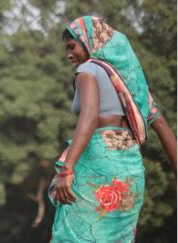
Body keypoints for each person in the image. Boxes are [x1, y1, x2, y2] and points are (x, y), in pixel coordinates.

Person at [49, 16, 177, 242]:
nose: (69, 55)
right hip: (130, 169)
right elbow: (162, 127)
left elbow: (88, 118)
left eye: (72, 47)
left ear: (89, 41)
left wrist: (66, 169)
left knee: (76, 236)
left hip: (99, 163)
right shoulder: (132, 86)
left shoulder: (88, 69)